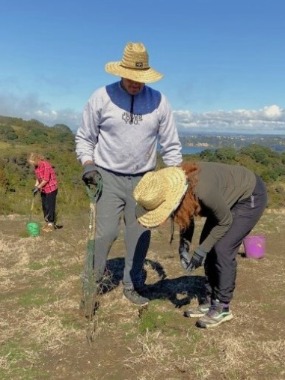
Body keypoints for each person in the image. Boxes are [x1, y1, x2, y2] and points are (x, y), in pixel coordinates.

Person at [75, 42, 182, 306]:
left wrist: (176, 181)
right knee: (106, 234)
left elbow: (170, 145)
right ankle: (92, 284)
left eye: (141, 78)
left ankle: (132, 285)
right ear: (120, 72)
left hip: (145, 181)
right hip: (107, 176)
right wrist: (88, 164)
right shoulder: (101, 97)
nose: (136, 83)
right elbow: (84, 137)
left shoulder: (159, 101)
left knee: (138, 236)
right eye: (132, 77)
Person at [133, 161, 267, 327]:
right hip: (224, 200)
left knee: (222, 248)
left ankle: (222, 306)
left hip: (249, 196)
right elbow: (185, 214)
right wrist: (184, 247)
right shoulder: (175, 188)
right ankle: (211, 299)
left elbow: (225, 221)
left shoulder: (203, 190)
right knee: (208, 244)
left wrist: (201, 252)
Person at [28, 152, 59, 232]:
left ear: (37, 159)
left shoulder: (46, 165)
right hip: (43, 189)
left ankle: (51, 224)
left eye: (33, 162)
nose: (33, 165)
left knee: (50, 206)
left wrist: (38, 187)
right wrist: (35, 186)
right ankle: (47, 222)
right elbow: (38, 178)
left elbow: (45, 179)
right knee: (45, 206)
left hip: (51, 188)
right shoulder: (36, 167)